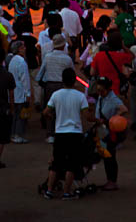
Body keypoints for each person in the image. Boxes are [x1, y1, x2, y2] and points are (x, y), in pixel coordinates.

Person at [43, 68, 90, 200]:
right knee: (72, 165)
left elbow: (46, 112)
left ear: (62, 80)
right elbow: (87, 115)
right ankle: (66, 192)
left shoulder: (56, 95)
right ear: (74, 80)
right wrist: (96, 120)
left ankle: (49, 190)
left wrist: (51, 116)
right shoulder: (80, 96)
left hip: (60, 133)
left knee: (56, 163)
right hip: (75, 133)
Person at [37, 34, 75, 142]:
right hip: (64, 86)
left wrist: (43, 84)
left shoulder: (48, 56)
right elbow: (72, 73)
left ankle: (50, 134)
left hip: (50, 85)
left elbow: (40, 74)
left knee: (50, 110)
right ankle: (63, 131)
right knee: (64, 110)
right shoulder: (67, 58)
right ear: (63, 46)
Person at [93, 76, 128, 191]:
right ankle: (110, 180)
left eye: (101, 90)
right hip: (103, 132)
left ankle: (112, 181)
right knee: (107, 156)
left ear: (107, 89)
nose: (99, 92)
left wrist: (113, 119)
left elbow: (124, 109)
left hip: (109, 132)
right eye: (98, 90)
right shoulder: (102, 97)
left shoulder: (113, 99)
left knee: (110, 157)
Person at [8, 40, 33, 144]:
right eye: (23, 47)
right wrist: (28, 94)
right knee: (20, 116)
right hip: (21, 92)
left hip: (14, 92)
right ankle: (17, 134)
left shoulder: (12, 60)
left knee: (15, 115)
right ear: (19, 49)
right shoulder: (22, 62)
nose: (25, 49)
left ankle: (13, 134)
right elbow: (25, 80)